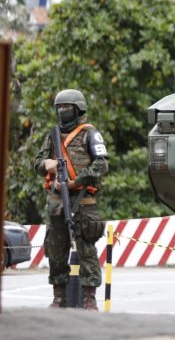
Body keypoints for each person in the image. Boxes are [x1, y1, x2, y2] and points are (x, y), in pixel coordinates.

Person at [34, 89, 108, 311]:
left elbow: (102, 164)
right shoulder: (53, 135)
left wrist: (77, 182)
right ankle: (59, 298)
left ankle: (89, 299)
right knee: (56, 253)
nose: (62, 111)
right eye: (59, 108)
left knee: (87, 252)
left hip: (83, 202)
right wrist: (47, 165)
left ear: (78, 109)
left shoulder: (90, 134)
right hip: (57, 203)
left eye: (67, 108)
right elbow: (37, 162)